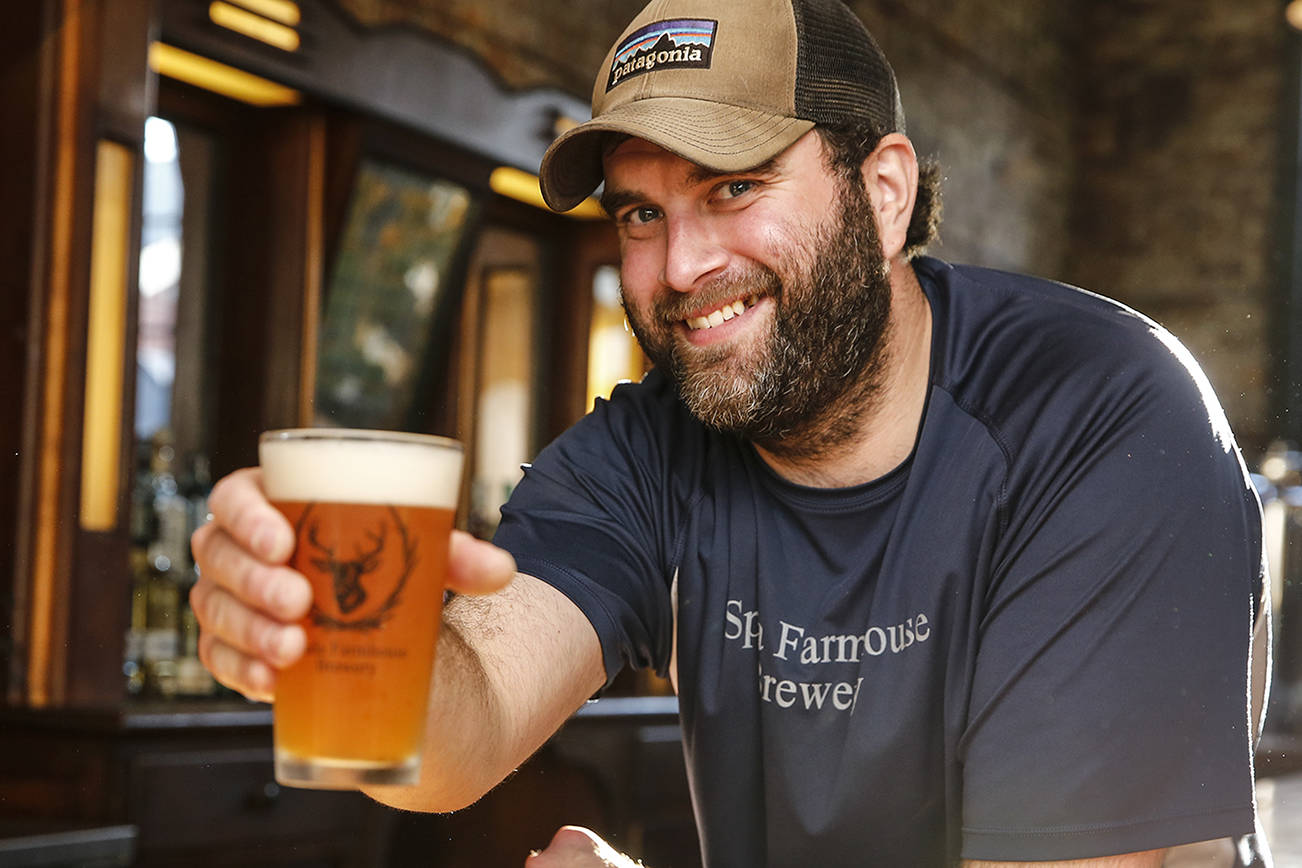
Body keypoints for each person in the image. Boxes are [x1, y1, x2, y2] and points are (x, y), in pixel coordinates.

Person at [189, 0, 1273, 865]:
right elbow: (463, 720)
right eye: (641, 212)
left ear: (884, 192)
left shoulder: (1104, 415)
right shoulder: (652, 444)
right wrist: (325, 626)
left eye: (736, 185)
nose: (679, 267)